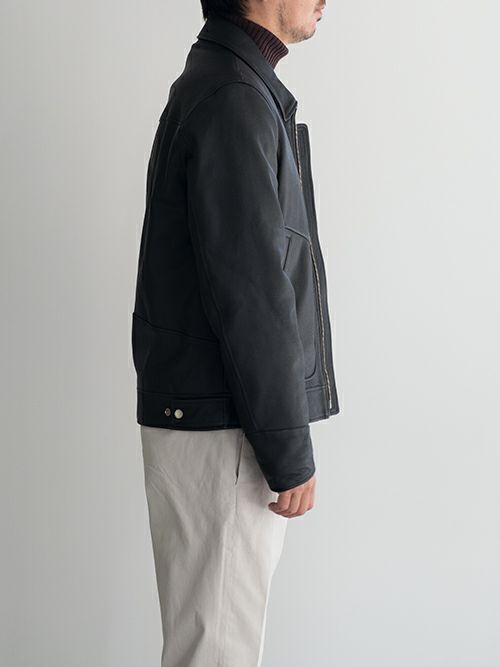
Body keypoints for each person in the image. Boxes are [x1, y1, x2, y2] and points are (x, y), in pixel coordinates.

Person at [131, 1, 339, 664]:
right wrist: (288, 449)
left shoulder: (232, 86)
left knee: (210, 645)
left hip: (220, 419)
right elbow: (251, 295)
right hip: (228, 428)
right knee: (216, 651)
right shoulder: (233, 98)